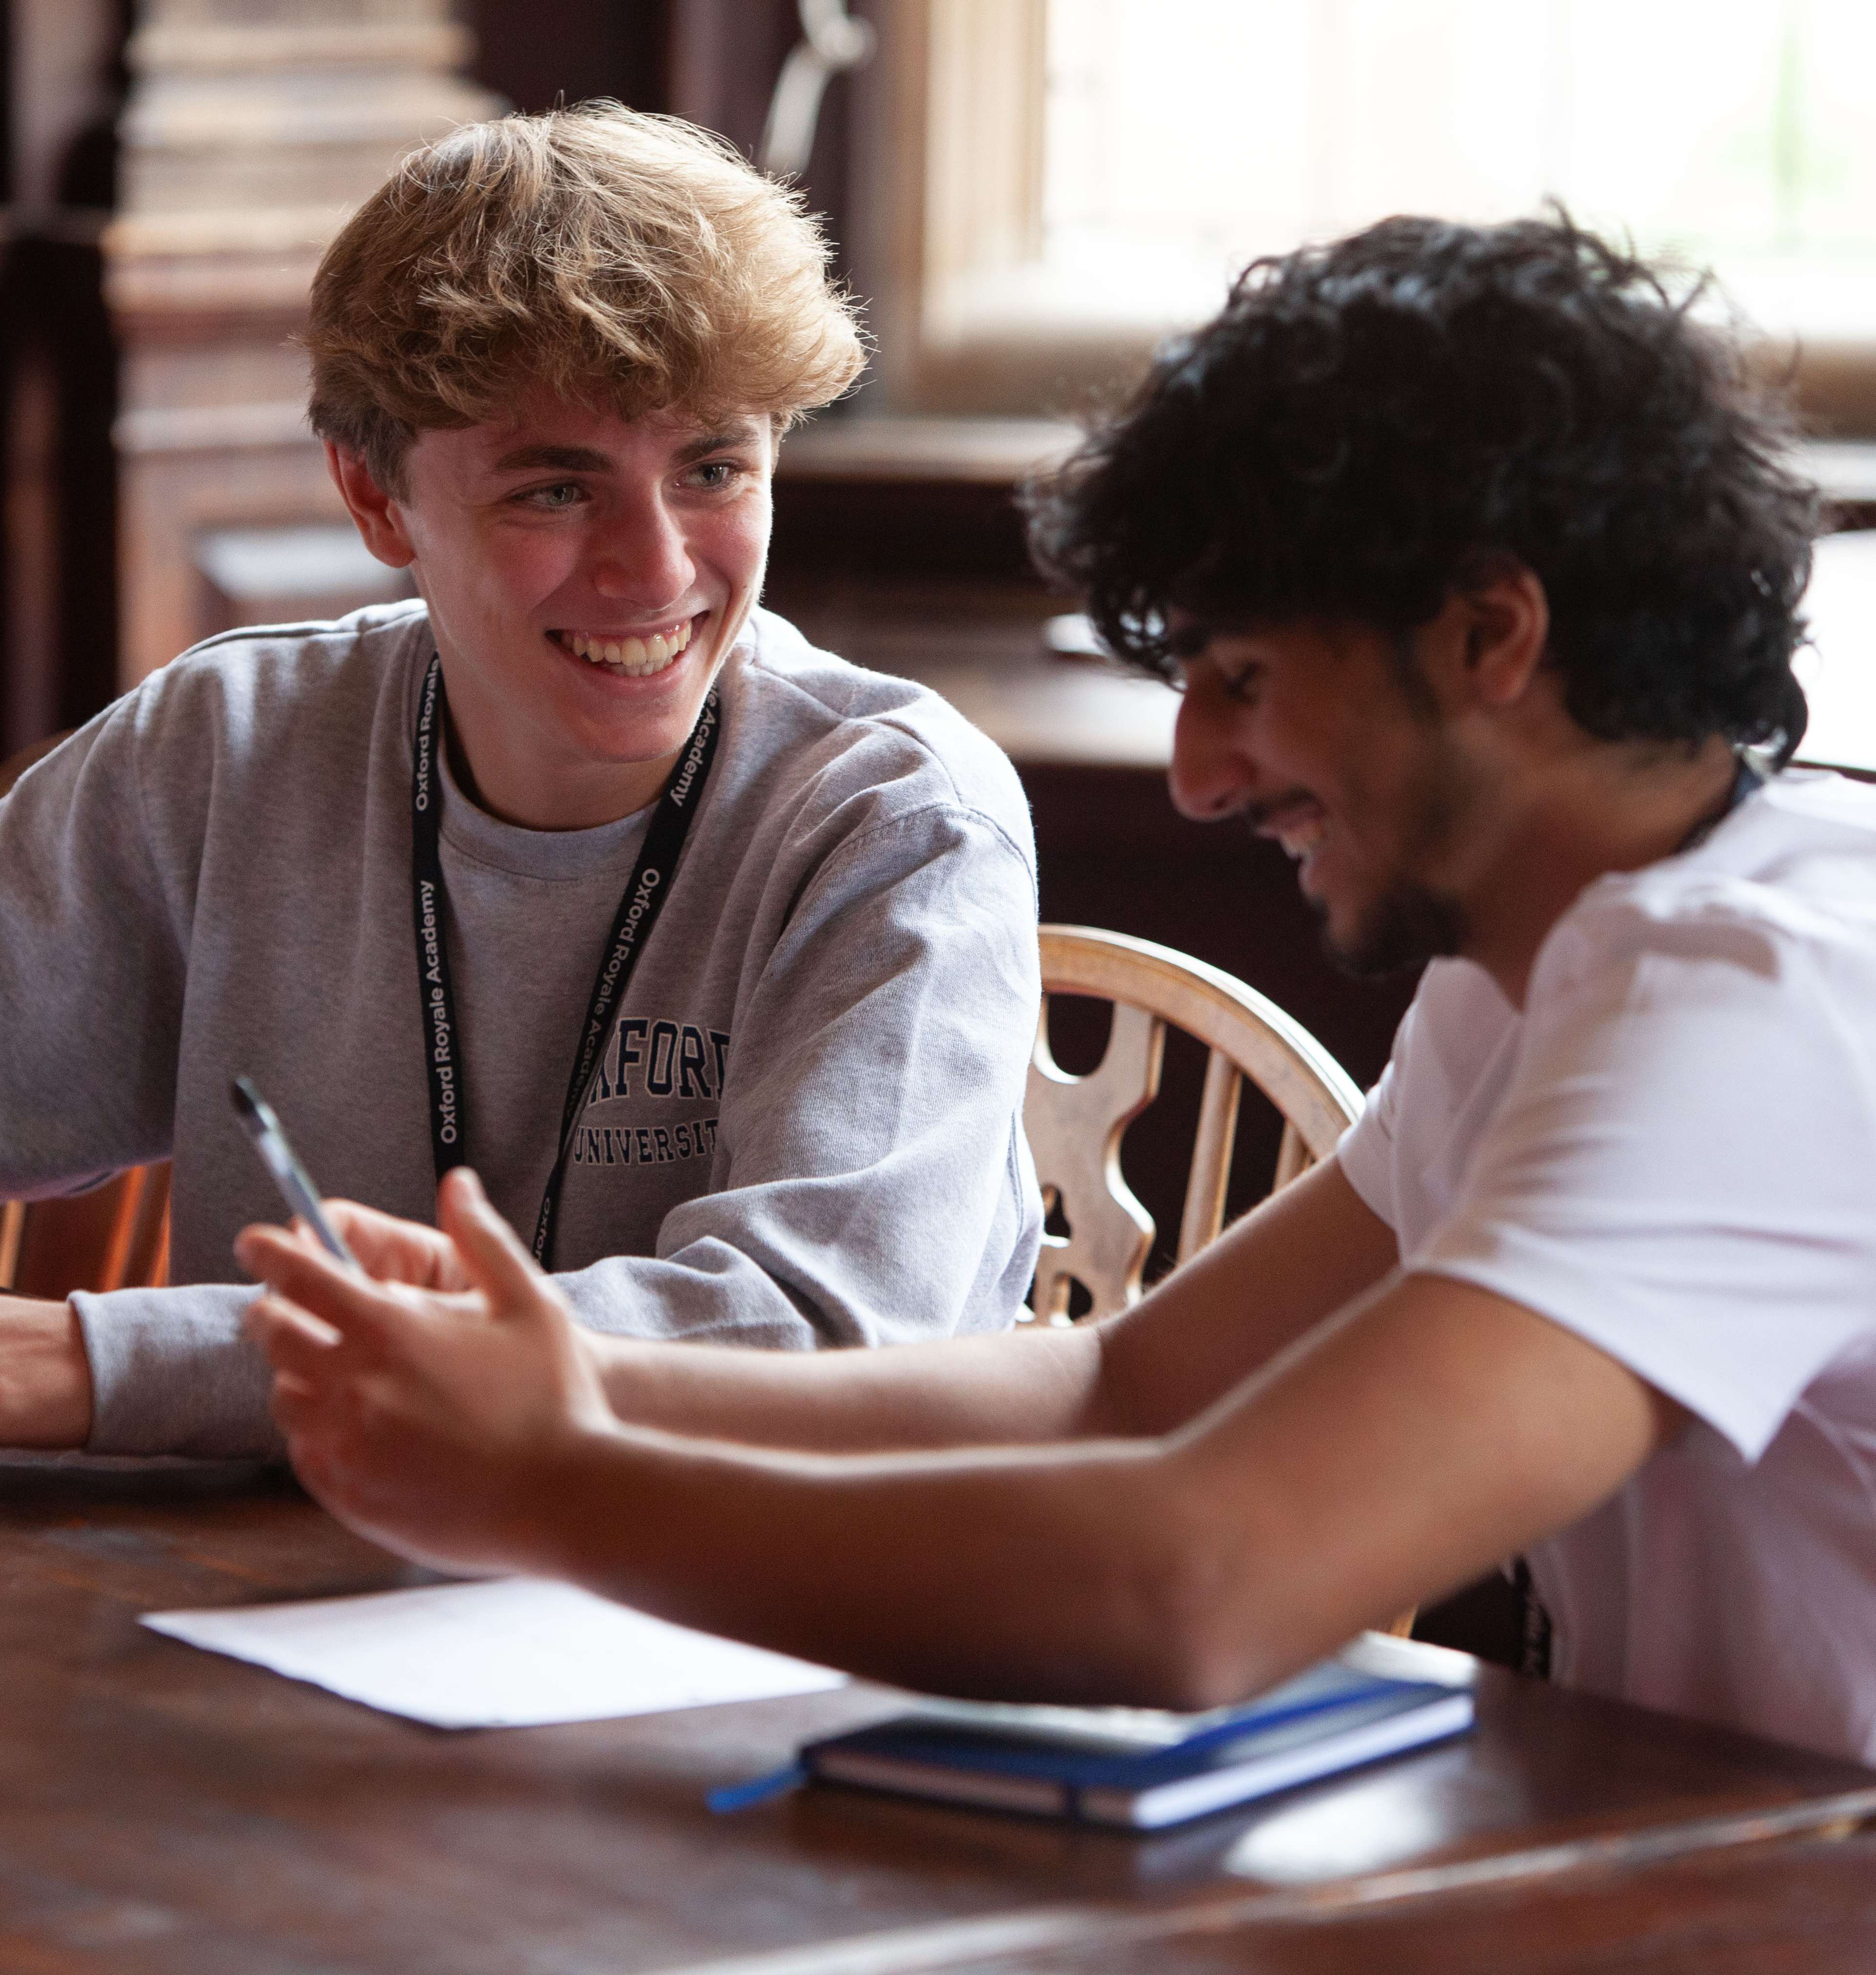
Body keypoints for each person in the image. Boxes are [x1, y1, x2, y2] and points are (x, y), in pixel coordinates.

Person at [238, 214, 1876, 1763]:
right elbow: (1123, 1385)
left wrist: (549, 1487)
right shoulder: (1529, 971)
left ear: (1490, 636)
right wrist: (555, 1372)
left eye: (1243, 678)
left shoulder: (1754, 1007)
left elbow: (1201, 1586)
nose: (1200, 775)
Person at [0, 105, 1044, 1460]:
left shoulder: (898, 820)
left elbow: (814, 1340)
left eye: (714, 468)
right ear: (375, 498)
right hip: (288, 1565)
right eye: (557, 490)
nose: (657, 571)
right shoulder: (227, 745)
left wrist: (98, 1362)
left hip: (749, 1571)